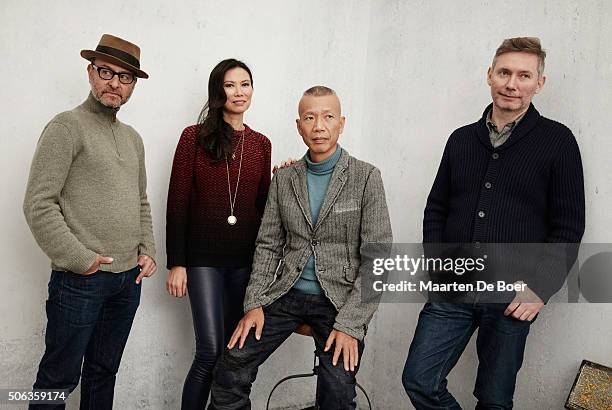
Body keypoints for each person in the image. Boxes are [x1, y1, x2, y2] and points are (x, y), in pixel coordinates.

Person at [402, 37, 585, 409]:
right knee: (419, 379)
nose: (511, 84)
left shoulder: (558, 141)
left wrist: (540, 288)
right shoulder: (461, 140)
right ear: (489, 75)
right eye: (504, 72)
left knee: (494, 399)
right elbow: (436, 208)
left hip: (512, 295)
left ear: (539, 83)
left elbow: (567, 226)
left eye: (523, 75)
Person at [208, 86, 393, 410]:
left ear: (341, 123)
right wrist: (253, 304)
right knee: (231, 366)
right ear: (299, 126)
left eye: (327, 117)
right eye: (310, 117)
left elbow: (377, 258)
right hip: (286, 294)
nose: (319, 125)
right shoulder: (284, 178)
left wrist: (351, 325)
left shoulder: (366, 177)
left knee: (336, 389)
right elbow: (268, 245)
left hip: (339, 300)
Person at [23, 34, 156, 410]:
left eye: (125, 77)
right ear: (90, 73)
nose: (115, 83)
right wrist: (82, 260)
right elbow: (38, 204)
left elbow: (140, 200)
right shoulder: (66, 127)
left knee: (103, 373)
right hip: (80, 282)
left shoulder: (133, 139)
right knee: (57, 379)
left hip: (127, 282)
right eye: (106, 72)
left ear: (133, 85)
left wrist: (148, 249)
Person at [165, 58, 271, 409]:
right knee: (209, 351)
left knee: (231, 353)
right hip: (203, 262)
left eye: (245, 84)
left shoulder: (261, 144)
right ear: (217, 90)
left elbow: (263, 208)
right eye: (230, 85)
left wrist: (287, 177)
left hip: (244, 262)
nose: (239, 92)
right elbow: (177, 202)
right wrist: (176, 263)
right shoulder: (193, 137)